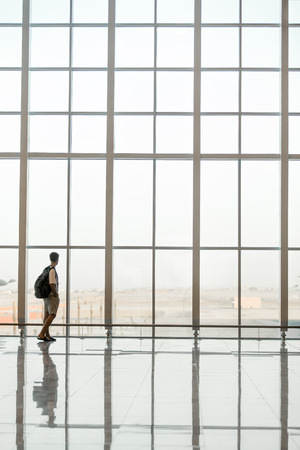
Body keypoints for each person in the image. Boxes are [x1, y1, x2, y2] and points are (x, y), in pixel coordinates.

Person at [37, 252, 60, 342]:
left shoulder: (46, 269)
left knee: (46, 315)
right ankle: (42, 333)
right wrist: (56, 294)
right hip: (51, 296)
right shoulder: (52, 270)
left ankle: (47, 335)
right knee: (52, 314)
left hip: (46, 296)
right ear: (57, 259)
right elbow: (51, 284)